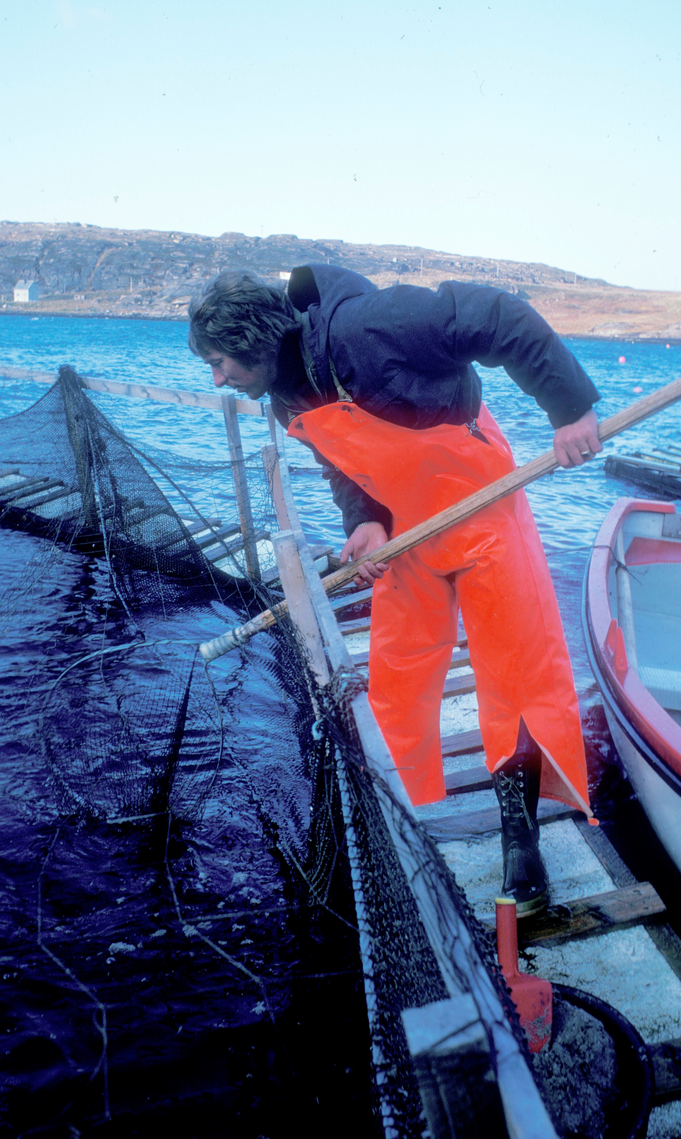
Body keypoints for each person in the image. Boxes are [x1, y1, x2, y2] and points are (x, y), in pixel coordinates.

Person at [188, 265, 602, 916]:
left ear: (252, 338)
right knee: (397, 674)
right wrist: (366, 522)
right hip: (409, 529)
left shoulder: (368, 328)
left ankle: (521, 843)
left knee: (516, 672)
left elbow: (497, 315)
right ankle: (397, 825)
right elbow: (340, 460)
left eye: (218, 362)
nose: (217, 378)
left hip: (482, 509)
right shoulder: (286, 394)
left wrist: (569, 408)